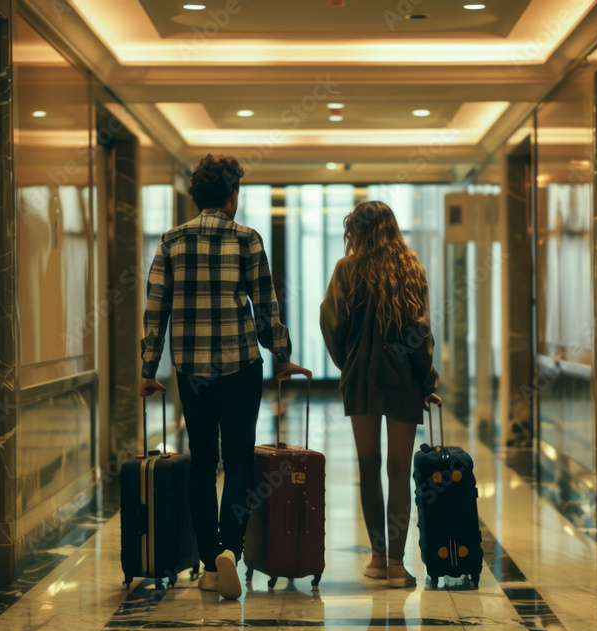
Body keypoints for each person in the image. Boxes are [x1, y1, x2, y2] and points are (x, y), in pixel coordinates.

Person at [140, 154, 308, 600]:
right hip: (241, 367)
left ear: (196, 196)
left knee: (201, 459)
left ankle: (208, 562)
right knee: (237, 460)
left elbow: (155, 308)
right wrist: (282, 355)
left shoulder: (171, 241)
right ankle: (229, 549)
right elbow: (265, 303)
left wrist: (147, 368)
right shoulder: (247, 239)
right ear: (233, 196)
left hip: (191, 370)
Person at [319, 200, 441, 588]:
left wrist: (348, 364)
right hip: (403, 380)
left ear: (357, 229)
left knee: (368, 467)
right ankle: (395, 564)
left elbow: (330, 322)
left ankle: (375, 558)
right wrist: (427, 381)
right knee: (399, 471)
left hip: (362, 381)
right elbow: (420, 333)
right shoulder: (410, 269)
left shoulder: (346, 270)